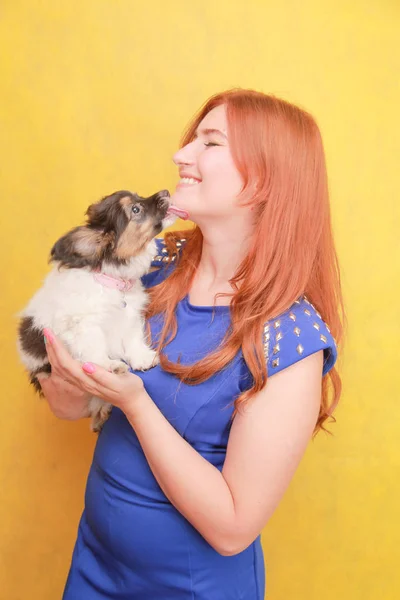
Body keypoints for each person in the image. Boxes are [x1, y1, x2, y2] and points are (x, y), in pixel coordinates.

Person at [38, 88, 345, 600]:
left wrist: (134, 404)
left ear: (265, 178)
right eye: (191, 140)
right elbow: (66, 406)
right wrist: (67, 378)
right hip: (93, 566)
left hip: (191, 589)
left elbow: (232, 529)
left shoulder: (291, 337)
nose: (182, 155)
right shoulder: (153, 265)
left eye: (210, 142)